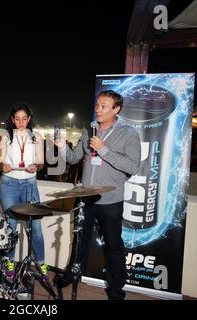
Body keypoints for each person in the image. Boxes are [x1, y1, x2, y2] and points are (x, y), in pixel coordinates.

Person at [54, 90, 141, 300]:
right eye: (97, 105)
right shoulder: (89, 130)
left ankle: (116, 289)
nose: (98, 110)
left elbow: (133, 166)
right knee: (79, 241)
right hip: (86, 197)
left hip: (111, 200)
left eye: (104, 106)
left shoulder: (128, 133)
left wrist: (104, 150)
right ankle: (72, 275)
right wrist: (62, 147)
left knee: (113, 246)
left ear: (116, 109)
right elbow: (75, 158)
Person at [0, 103, 48, 278]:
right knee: (10, 226)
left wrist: (37, 166)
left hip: (30, 184)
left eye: (24, 119)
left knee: (35, 227)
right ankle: (9, 261)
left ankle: (41, 263)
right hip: (9, 185)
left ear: (29, 119)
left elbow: (40, 162)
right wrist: (2, 166)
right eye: (17, 119)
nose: (21, 122)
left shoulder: (37, 137)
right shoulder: (5, 136)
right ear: (12, 120)